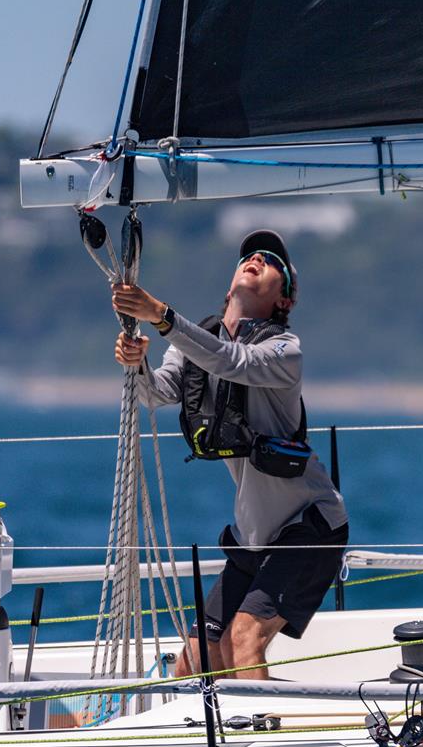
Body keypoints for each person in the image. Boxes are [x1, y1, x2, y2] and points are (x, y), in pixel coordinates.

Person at [112, 229, 348, 680]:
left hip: (311, 523)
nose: (256, 258)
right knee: (196, 658)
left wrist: (161, 317)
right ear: (229, 287)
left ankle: (266, 741)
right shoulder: (196, 339)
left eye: (270, 260)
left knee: (244, 640)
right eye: (249, 255)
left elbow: (232, 361)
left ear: (285, 300)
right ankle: (232, 737)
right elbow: (155, 392)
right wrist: (135, 359)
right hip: (254, 532)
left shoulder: (284, 350)